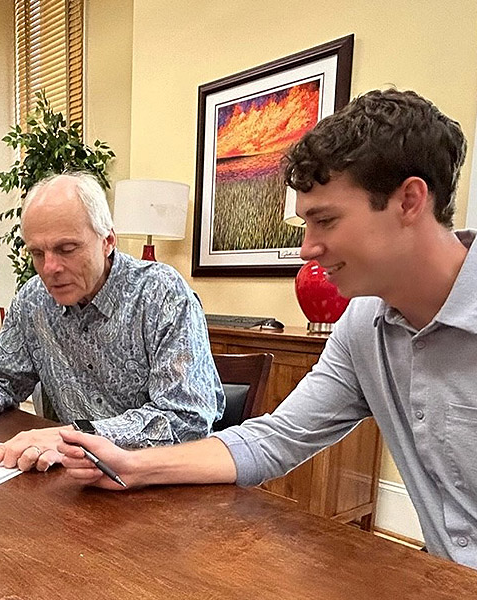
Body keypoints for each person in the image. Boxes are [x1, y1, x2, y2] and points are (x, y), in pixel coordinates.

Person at [58, 89, 477, 569]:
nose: (307, 248)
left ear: (409, 200)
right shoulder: (363, 326)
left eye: (325, 221)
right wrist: (129, 465)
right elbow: (275, 439)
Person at [0, 172, 224, 471]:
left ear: (107, 241)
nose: (50, 268)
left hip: (160, 483)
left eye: (66, 249)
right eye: (37, 253)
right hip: (75, 481)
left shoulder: (161, 293)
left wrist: (75, 435)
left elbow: (187, 418)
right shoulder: (34, 299)